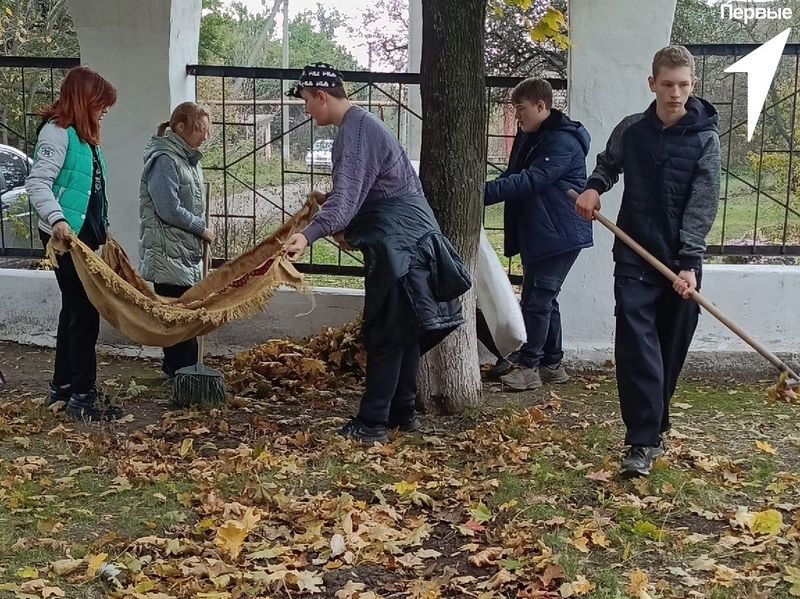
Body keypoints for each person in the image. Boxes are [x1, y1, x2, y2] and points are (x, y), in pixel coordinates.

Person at [283, 63, 470, 443]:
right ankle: (402, 414)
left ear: (322, 96)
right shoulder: (363, 126)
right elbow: (367, 192)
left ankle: (372, 425)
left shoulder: (353, 134)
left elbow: (349, 202)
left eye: (305, 101)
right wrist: (330, 202)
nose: (305, 110)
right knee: (404, 332)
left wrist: (308, 235)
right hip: (411, 242)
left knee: (386, 332)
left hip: (401, 246)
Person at [575, 45, 721, 477]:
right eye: (668, 84)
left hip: (680, 260)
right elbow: (609, 164)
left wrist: (689, 261)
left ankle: (656, 420)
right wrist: (594, 188)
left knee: (670, 346)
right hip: (635, 254)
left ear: (693, 84)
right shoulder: (633, 130)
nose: (675, 93)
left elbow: (703, 201)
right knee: (637, 347)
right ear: (652, 83)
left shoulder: (704, 138)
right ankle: (641, 440)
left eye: (684, 84)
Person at [26, 66, 123, 421]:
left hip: (82, 236)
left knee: (74, 309)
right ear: (85, 100)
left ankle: (63, 388)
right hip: (64, 238)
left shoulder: (84, 138)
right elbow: (38, 184)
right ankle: (83, 396)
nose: (105, 111)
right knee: (84, 312)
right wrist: (59, 221)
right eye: (102, 104)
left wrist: (103, 227)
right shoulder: (57, 133)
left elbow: (91, 190)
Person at [484, 78, 592, 390]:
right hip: (542, 231)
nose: (516, 116)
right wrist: (486, 188)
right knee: (545, 298)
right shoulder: (530, 135)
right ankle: (552, 364)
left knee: (537, 300)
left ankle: (530, 366)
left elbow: (530, 180)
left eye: (521, 109)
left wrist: (479, 194)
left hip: (560, 233)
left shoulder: (562, 142)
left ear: (541, 106)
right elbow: (512, 174)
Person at [139, 102, 214, 378]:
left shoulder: (186, 158)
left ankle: (178, 372)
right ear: (180, 127)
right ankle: (183, 377)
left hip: (183, 253)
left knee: (185, 319)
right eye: (200, 130)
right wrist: (200, 227)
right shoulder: (165, 160)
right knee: (178, 323)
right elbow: (167, 208)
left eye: (208, 131)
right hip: (167, 253)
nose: (205, 137)